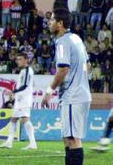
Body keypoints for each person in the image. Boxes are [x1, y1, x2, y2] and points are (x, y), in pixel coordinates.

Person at [42, 8, 91, 165]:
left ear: (60, 24)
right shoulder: (76, 38)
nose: (49, 22)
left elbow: (63, 69)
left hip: (72, 96)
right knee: (68, 138)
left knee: (72, 140)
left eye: (52, 20)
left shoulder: (62, 41)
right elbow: (88, 65)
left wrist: (49, 91)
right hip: (81, 94)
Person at [0, 53, 37, 150]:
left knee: (25, 118)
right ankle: (9, 142)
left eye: (20, 59)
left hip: (24, 99)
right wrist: (14, 95)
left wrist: (13, 91)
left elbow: (25, 86)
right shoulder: (23, 71)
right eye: (17, 59)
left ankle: (33, 143)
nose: (18, 61)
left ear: (26, 60)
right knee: (13, 119)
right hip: (20, 99)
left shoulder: (28, 70)